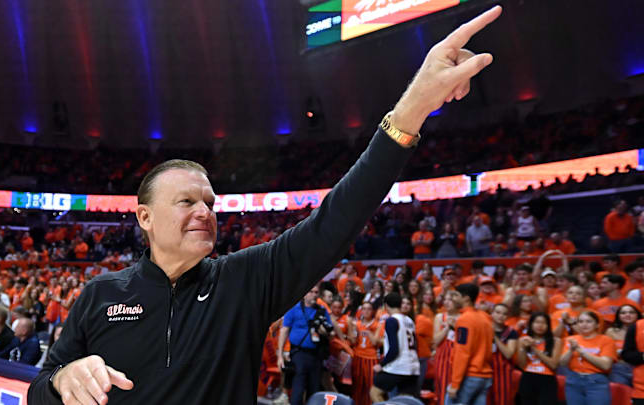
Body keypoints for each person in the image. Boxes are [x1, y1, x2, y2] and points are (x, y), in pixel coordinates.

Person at [26, 6, 504, 404]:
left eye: (210, 202)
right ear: (144, 217)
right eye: (186, 201)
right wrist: (60, 381)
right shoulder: (100, 294)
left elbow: (335, 220)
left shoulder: (244, 281)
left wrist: (411, 110)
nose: (204, 211)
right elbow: (36, 393)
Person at [278, 286, 333, 405]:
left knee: (314, 389)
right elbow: (284, 330)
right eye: (311, 292)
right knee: (298, 388)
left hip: (316, 354)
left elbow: (330, 332)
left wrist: (323, 330)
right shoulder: (294, 309)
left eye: (316, 292)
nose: (314, 294)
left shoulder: (322, 311)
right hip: (299, 353)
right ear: (304, 294)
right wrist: (280, 355)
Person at [446, 283, 493, 405]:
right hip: (485, 376)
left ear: (466, 298)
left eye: (456, 295)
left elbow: (462, 353)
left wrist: (455, 384)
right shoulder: (485, 316)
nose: (453, 298)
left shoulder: (464, 319)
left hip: (469, 376)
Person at [370, 293, 420, 402]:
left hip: (398, 367)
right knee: (404, 401)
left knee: (374, 392)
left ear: (386, 306)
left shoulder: (391, 320)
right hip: (413, 367)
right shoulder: (409, 320)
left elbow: (394, 349)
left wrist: (381, 364)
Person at [559, 311, 616, 405]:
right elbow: (562, 363)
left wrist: (581, 351)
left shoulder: (606, 340)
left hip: (596, 381)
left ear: (597, 325)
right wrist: (570, 350)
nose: (584, 324)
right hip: (573, 380)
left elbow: (606, 365)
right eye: (580, 322)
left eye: (589, 321)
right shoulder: (571, 339)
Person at [515, 312, 561, 405]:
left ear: (548, 325)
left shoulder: (556, 341)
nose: (540, 325)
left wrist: (534, 348)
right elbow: (522, 365)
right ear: (531, 324)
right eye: (536, 322)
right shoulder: (522, 340)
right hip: (528, 378)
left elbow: (553, 365)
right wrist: (523, 348)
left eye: (543, 323)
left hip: (547, 379)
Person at [349, 301, 382, 405]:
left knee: (370, 386)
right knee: (357, 386)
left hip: (371, 358)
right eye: (364, 309)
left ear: (373, 311)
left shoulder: (378, 324)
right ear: (361, 310)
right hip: (358, 357)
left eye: (369, 309)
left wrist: (368, 331)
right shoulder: (357, 324)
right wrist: (352, 329)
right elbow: (353, 341)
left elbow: (376, 342)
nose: (366, 311)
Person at [433, 290, 460, 404]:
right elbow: (436, 340)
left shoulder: (464, 317)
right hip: (443, 356)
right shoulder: (440, 317)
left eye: (451, 300)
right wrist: (447, 327)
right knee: (442, 388)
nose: (447, 302)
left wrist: (455, 326)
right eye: (446, 300)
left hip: (458, 355)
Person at [605, 304, 642, 386]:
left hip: (639, 367)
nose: (627, 315)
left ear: (637, 315)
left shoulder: (642, 331)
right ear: (618, 316)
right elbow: (605, 351)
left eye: (631, 312)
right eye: (623, 313)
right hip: (619, 368)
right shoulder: (610, 332)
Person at [489, 304, 518, 405]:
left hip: (503, 372)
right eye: (497, 312)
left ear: (508, 317)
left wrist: (495, 337)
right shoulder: (484, 328)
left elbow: (509, 353)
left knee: (503, 401)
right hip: (485, 369)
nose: (501, 316)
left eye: (504, 314)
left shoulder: (511, 332)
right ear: (492, 313)